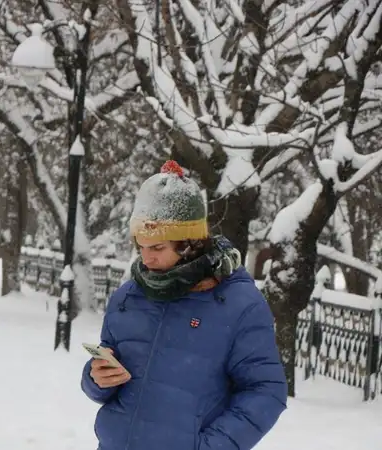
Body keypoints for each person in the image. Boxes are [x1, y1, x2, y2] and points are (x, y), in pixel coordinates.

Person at [81, 160, 287, 450]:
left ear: (190, 243)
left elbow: (266, 392)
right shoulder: (129, 297)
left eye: (157, 248)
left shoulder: (239, 304)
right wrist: (96, 377)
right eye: (141, 246)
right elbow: (105, 379)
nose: (146, 259)